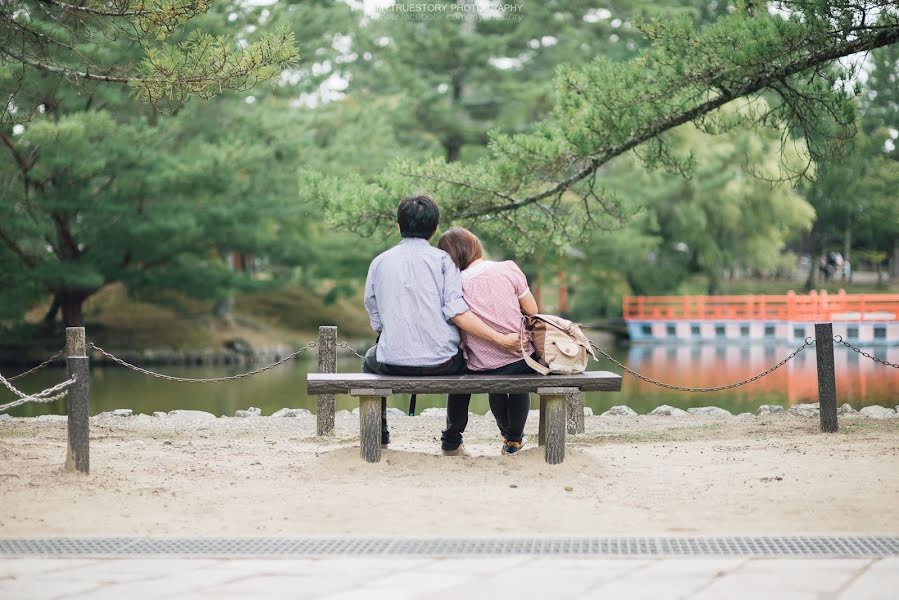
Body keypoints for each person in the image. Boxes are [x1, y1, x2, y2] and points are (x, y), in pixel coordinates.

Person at [362, 194, 519, 456]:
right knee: (465, 360)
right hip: (443, 362)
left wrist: (388, 332)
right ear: (435, 230)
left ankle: (380, 434)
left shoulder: (379, 262)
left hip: (392, 362)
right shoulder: (444, 262)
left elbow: (373, 310)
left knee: (369, 361)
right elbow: (456, 309)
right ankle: (451, 439)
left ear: (398, 225)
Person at [437, 227, 540, 455]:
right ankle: (513, 440)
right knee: (517, 386)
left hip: (481, 365)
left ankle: (505, 437)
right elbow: (532, 310)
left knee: (495, 386)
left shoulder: (455, 285)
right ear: (476, 246)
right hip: (521, 357)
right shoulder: (508, 268)